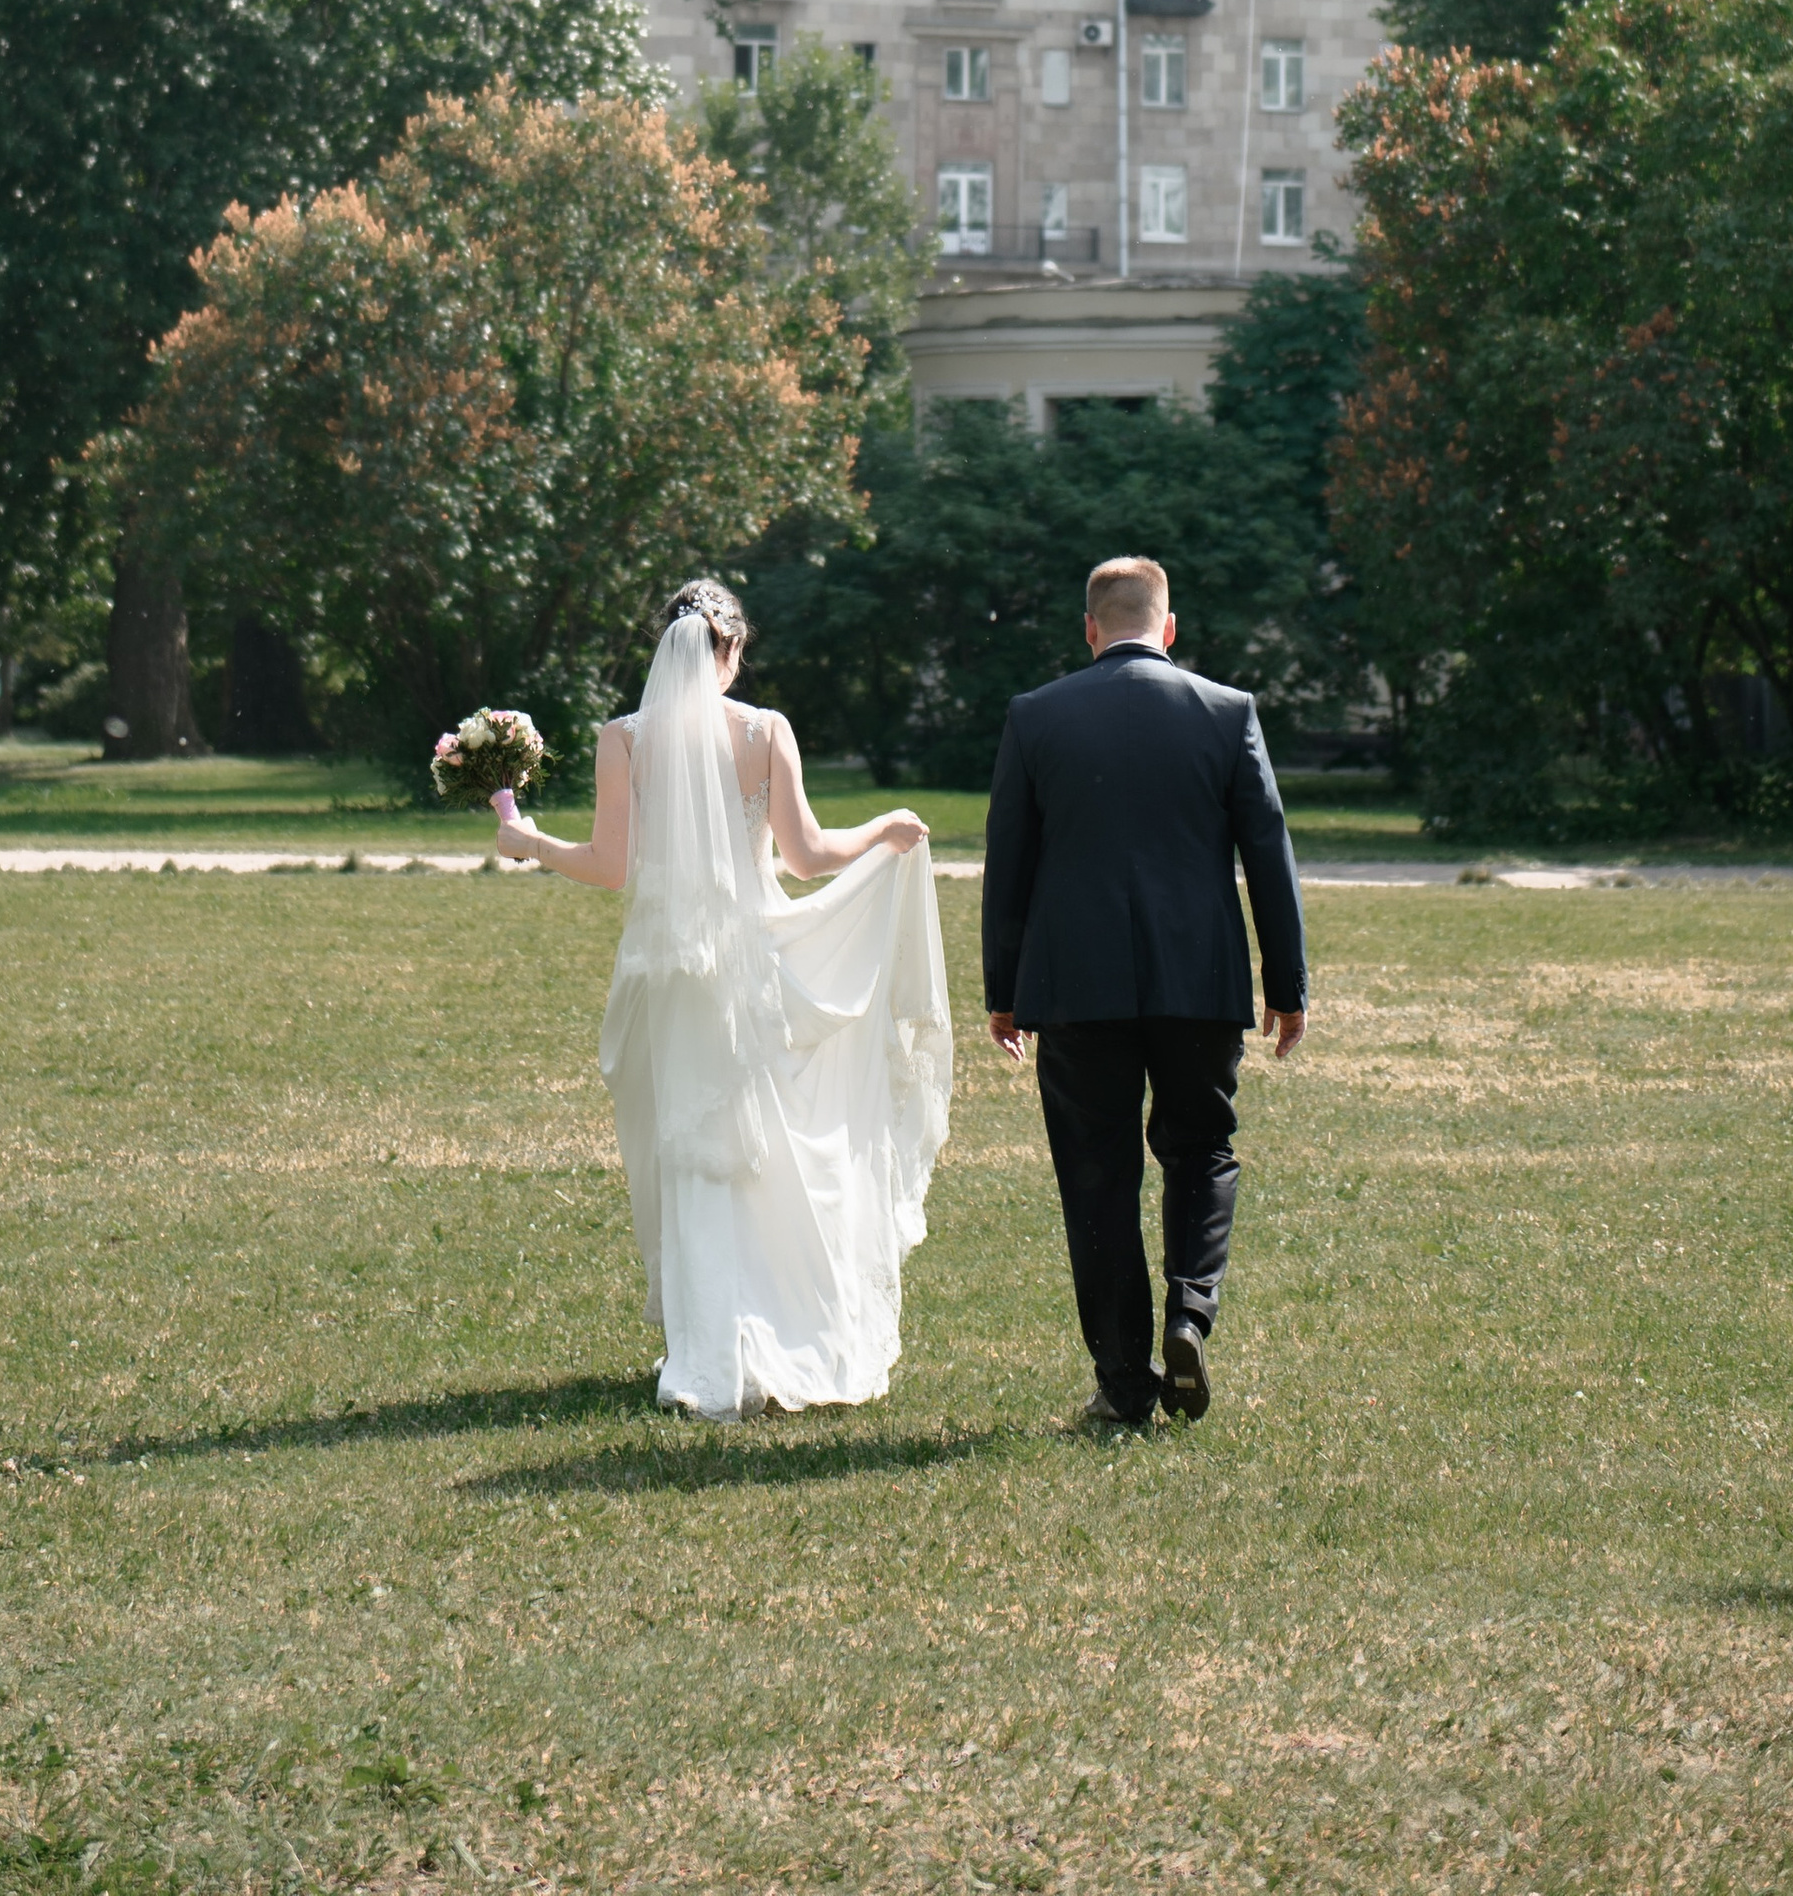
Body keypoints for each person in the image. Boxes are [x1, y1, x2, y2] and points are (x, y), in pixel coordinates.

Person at [495, 579, 952, 1418]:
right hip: (754, 959)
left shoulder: (624, 740)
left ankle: (710, 1348)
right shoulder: (764, 731)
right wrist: (884, 829)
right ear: (732, 653)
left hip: (668, 972)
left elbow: (608, 866)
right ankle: (780, 1328)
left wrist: (529, 842)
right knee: (766, 1149)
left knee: (691, 1149)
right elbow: (809, 855)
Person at [981, 553, 1307, 1431]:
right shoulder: (1227, 711)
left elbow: (1007, 862)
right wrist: (1288, 984)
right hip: (1197, 981)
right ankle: (1190, 1314)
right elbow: (1267, 855)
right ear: (1169, 629)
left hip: (1076, 985)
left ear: (1091, 629)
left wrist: (1003, 992)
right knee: (1202, 1150)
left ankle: (1124, 1385)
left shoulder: (1035, 715)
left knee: (1097, 1179)